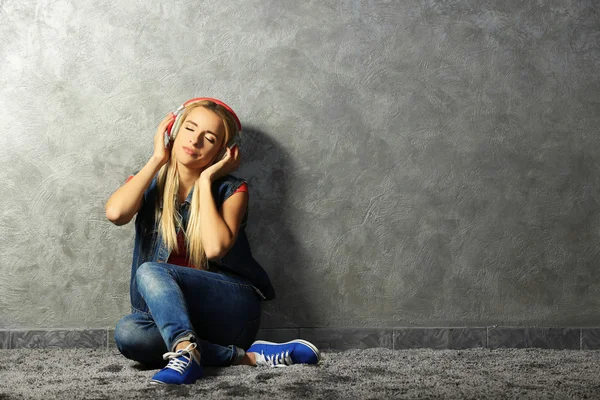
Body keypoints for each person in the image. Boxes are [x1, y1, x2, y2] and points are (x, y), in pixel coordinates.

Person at [105, 99, 320, 385]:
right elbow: (116, 213)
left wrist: (206, 180)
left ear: (222, 151)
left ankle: (185, 353)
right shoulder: (150, 183)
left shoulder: (232, 190)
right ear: (174, 131)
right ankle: (246, 357)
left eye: (209, 138)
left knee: (150, 270)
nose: (195, 140)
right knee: (129, 333)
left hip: (230, 311)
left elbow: (214, 248)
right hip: (174, 321)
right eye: (189, 129)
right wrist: (157, 158)